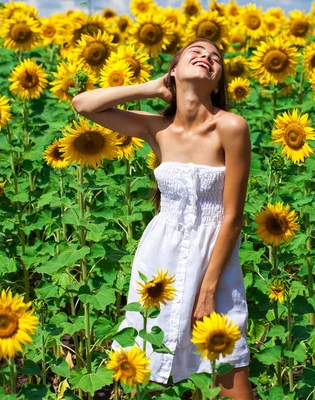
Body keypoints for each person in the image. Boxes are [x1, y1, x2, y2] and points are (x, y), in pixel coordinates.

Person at [72, 37, 254, 399]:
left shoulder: (230, 127)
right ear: (175, 70)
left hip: (212, 260)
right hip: (160, 261)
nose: (207, 58)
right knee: (150, 366)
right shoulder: (158, 129)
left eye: (215, 58)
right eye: (196, 53)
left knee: (229, 376)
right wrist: (154, 87)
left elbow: (233, 216)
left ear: (217, 82)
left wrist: (208, 290)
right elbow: (83, 104)